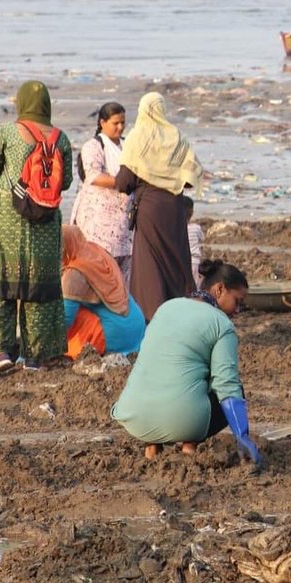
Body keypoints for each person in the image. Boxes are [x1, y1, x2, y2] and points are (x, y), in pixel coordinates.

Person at [111, 259, 262, 466]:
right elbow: (226, 385)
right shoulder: (222, 324)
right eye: (238, 301)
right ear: (219, 289)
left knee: (168, 368)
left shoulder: (167, 307)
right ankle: (188, 446)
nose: (238, 310)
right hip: (184, 421)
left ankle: (152, 447)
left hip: (135, 417)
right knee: (228, 388)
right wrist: (242, 435)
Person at [0, 81, 73, 375]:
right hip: (45, 224)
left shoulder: (7, 132)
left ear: (22, 103)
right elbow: (65, 182)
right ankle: (35, 358)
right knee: (39, 292)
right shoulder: (61, 138)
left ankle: (0, 352)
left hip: (9, 220)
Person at [114, 92, 204, 322]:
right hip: (174, 210)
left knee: (149, 265)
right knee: (177, 262)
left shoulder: (137, 137)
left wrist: (146, 178)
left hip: (149, 211)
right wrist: (168, 179)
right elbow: (191, 177)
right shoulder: (176, 137)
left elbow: (123, 181)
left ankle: (152, 319)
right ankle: (182, 315)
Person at [61, 225, 145, 359]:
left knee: (63, 312)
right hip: (137, 327)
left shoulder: (75, 274)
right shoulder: (97, 252)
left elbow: (63, 322)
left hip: (116, 335)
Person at [71, 101, 132, 284]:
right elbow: (93, 176)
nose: (120, 127)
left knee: (121, 275)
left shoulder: (126, 145)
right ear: (102, 122)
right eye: (115, 123)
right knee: (99, 270)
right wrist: (120, 182)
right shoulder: (94, 146)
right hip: (98, 221)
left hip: (122, 222)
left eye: (123, 122)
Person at [181, 194, 204, 283]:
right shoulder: (196, 228)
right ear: (192, 212)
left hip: (181, 261)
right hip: (194, 261)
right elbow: (202, 238)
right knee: (194, 285)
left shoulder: (175, 228)